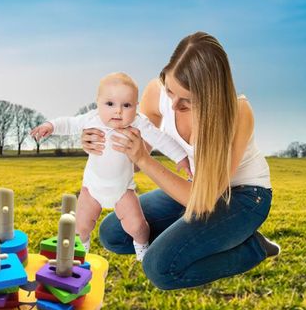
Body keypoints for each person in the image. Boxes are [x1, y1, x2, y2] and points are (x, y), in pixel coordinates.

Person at [81, 32, 280, 290]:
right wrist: (96, 142)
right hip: (192, 187)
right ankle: (209, 236)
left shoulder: (237, 113)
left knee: (160, 268)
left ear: (211, 96)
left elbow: (201, 199)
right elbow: (130, 148)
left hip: (242, 197)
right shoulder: (157, 92)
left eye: (187, 100)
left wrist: (144, 158)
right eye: (171, 90)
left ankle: (253, 247)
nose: (173, 104)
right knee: (114, 234)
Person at [30, 72, 191, 261]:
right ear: (97, 103)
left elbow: (161, 139)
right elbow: (69, 123)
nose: (118, 111)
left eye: (127, 105)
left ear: (135, 107)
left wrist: (181, 157)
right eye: (110, 104)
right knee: (81, 226)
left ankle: (142, 246)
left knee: (137, 226)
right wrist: (51, 126)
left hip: (123, 191)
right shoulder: (91, 120)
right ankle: (82, 250)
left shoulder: (138, 123)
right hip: (92, 188)